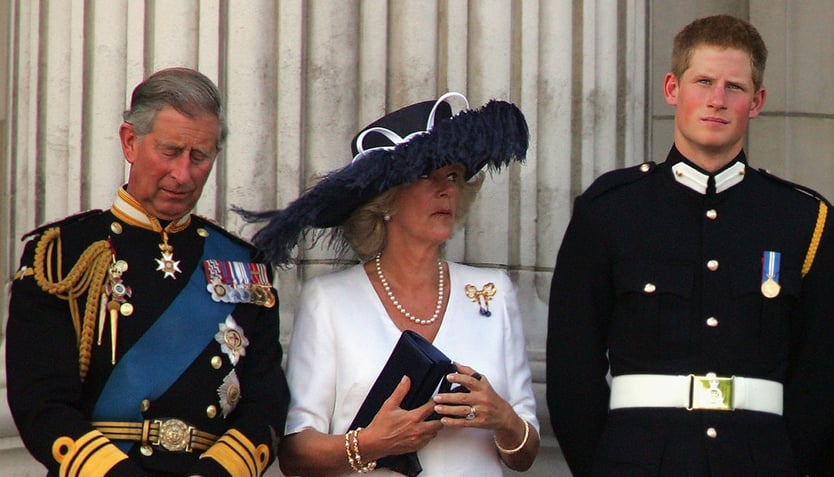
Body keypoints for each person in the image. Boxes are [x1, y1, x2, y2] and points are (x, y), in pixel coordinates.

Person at [546, 14, 834, 477]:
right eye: (703, 81)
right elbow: (573, 369)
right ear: (672, 89)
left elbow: (821, 377)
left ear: (757, 101)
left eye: (735, 87)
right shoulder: (609, 210)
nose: (717, 100)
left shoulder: (804, 220)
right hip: (635, 462)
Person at [6, 67, 289, 477]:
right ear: (130, 142)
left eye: (200, 156)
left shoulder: (243, 265)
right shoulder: (63, 254)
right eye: (170, 152)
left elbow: (266, 403)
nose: (184, 174)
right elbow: (41, 402)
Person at [237, 93, 539, 476]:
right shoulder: (329, 301)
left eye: (454, 176)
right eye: (429, 175)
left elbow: (525, 453)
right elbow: (295, 454)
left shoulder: (493, 293)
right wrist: (373, 443)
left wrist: (503, 418)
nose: (447, 189)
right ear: (386, 200)